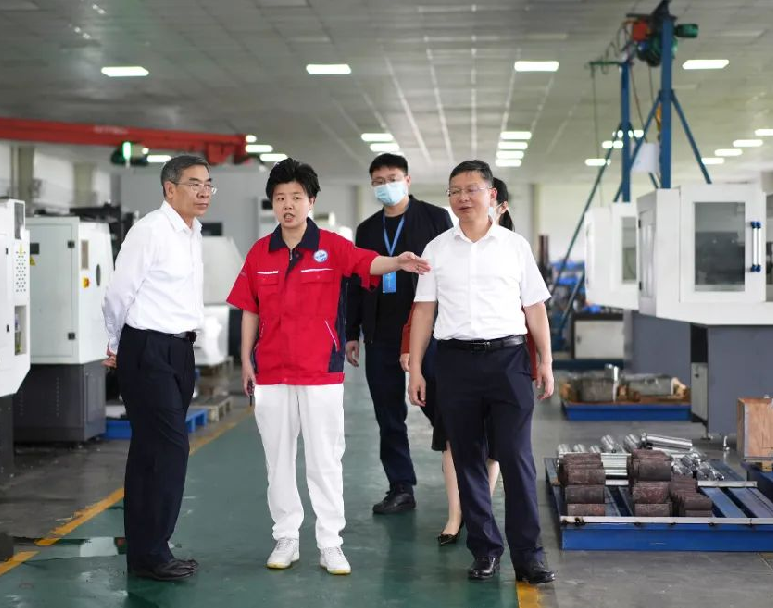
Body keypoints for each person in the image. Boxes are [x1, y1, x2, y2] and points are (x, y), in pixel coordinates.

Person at [226, 158, 429, 576]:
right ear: (272, 203)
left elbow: (365, 262)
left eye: (296, 196)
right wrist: (246, 359)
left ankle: (330, 542)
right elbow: (249, 308)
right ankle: (286, 537)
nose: (287, 205)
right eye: (279, 198)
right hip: (272, 372)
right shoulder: (260, 253)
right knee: (277, 459)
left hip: (320, 370)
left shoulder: (332, 246)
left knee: (324, 459)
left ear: (311, 201)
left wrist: (398, 261)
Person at [408, 161, 556, 584]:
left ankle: (528, 557)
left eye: (471, 189)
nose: (463, 197)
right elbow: (423, 312)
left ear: (492, 195)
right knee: (467, 459)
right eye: (455, 190)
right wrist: (416, 368)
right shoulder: (437, 248)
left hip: (509, 362)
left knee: (516, 457)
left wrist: (545, 361)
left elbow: (535, 308)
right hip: (455, 363)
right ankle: (485, 550)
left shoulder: (514, 246)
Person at [101, 155, 214, 582]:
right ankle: (153, 552)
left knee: (150, 452)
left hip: (179, 350)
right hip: (147, 348)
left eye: (208, 184)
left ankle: (146, 553)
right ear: (170, 189)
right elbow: (118, 294)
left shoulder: (192, 234)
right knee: (169, 449)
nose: (204, 192)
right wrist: (116, 343)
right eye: (194, 184)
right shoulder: (149, 231)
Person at [344, 153, 453, 515]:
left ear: (407, 180)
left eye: (391, 178)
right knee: (388, 415)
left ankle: (466, 473)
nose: (385, 186)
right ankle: (400, 486)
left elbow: (447, 274)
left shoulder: (434, 218)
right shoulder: (367, 230)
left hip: (428, 331)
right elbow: (356, 281)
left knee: (440, 405)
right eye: (378, 181)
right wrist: (352, 331)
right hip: (380, 333)